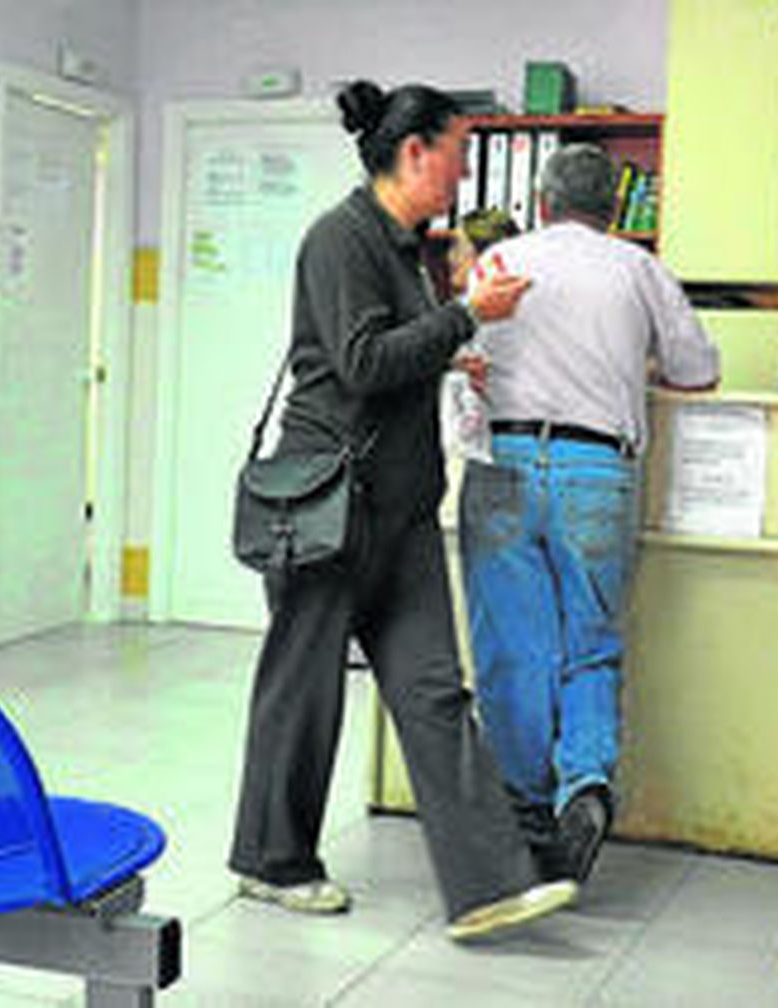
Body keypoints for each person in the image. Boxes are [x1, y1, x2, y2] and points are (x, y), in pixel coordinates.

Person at [228, 79, 577, 942]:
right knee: (304, 690)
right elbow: (358, 363)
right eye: (457, 153)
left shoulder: (409, 248)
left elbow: (393, 352)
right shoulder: (339, 238)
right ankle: (273, 861)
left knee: (433, 693)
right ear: (415, 152)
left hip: (403, 509)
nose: (464, 173)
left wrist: (450, 356)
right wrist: (465, 318)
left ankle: (488, 884)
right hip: (330, 504)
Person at [458, 143, 720, 886]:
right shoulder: (638, 268)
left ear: (542, 202)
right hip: (596, 469)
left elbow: (463, 359)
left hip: (502, 462)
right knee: (590, 641)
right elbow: (698, 371)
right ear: (613, 208)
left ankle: (525, 815)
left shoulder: (498, 260)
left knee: (512, 648)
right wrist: (632, 363)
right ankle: (584, 785)